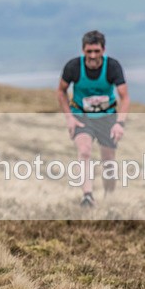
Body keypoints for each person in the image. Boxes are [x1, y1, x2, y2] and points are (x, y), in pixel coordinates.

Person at [57, 30, 130, 207]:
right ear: (83, 50)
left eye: (96, 51)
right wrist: (69, 118)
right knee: (84, 151)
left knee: (108, 161)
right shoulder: (73, 67)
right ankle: (87, 196)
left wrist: (119, 123)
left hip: (107, 117)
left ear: (103, 50)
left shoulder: (112, 67)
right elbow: (61, 91)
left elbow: (125, 97)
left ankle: (109, 196)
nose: (92, 55)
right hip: (82, 116)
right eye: (89, 51)